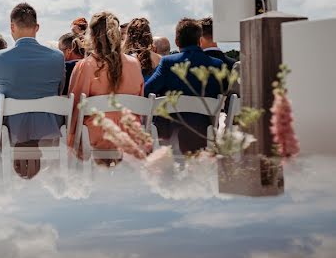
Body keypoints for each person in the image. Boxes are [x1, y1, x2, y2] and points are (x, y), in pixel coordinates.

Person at [0, 2, 65, 146]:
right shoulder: (58, 57)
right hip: (49, 130)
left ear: (12, 27)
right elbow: (60, 89)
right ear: (37, 28)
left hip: (11, 132)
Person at [68, 12, 144, 155]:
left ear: (92, 36)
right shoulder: (134, 64)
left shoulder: (85, 66)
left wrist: (70, 142)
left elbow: (75, 109)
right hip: (130, 136)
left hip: (96, 138)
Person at [145, 18, 224, 154]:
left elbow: (147, 90)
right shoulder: (217, 65)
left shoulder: (167, 62)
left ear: (176, 42)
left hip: (169, 134)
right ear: (200, 41)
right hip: (203, 134)